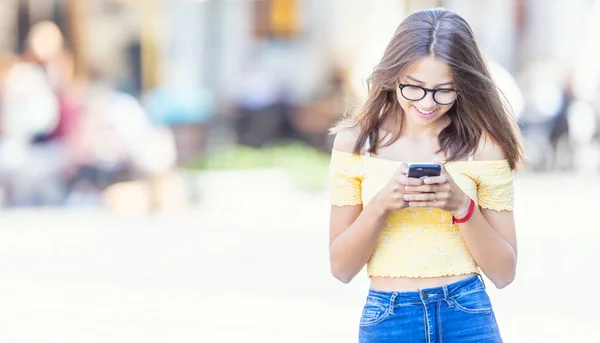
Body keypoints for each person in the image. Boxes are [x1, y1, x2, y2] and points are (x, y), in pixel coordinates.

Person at [328, 8, 523, 343]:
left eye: (444, 90)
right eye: (414, 87)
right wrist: (380, 205)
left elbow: (504, 272)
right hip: (389, 318)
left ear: (464, 85)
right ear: (393, 77)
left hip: (466, 314)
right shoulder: (357, 143)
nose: (428, 103)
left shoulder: (484, 148)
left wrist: (461, 207)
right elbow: (341, 268)